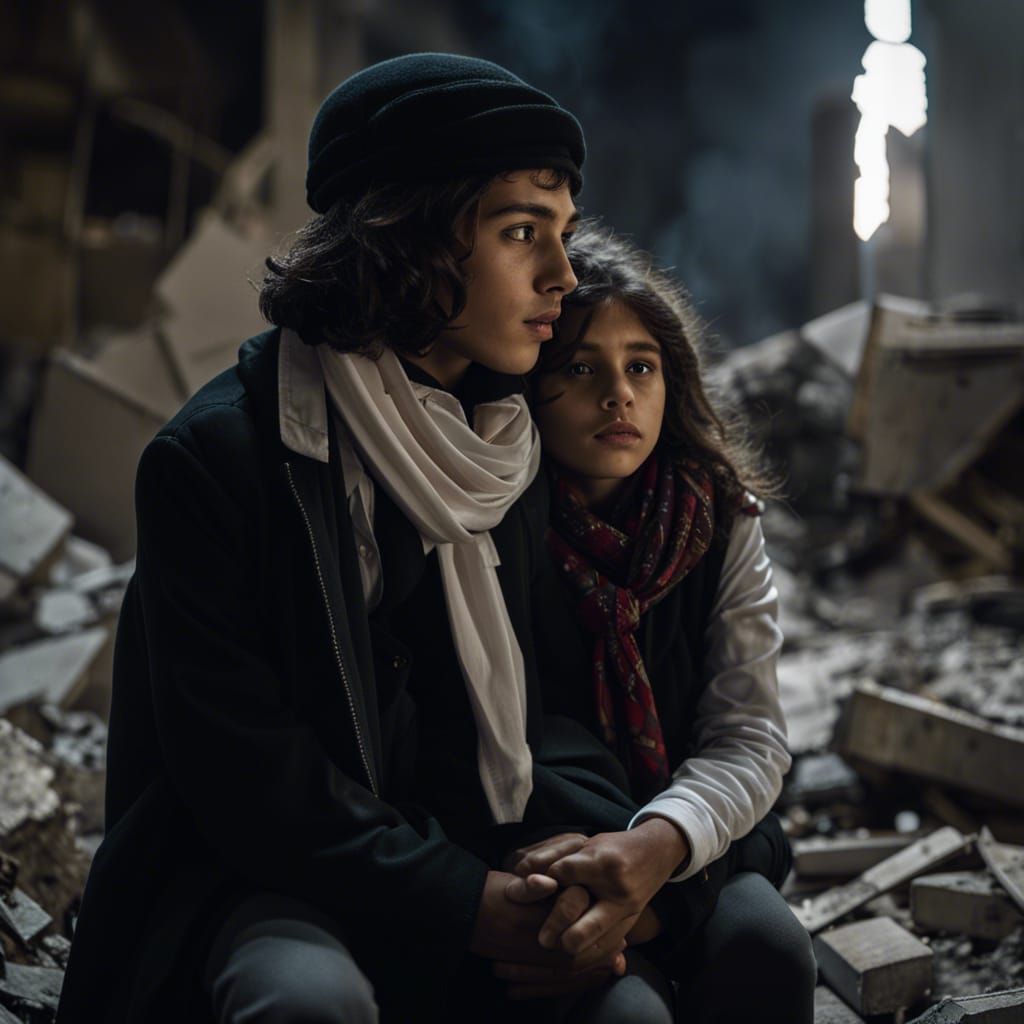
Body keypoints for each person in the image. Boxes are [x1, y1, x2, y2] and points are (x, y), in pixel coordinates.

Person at [54, 53, 646, 1024]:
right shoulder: (220, 460)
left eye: (563, 235)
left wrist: (589, 870)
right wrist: (461, 903)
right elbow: (248, 782)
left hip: (468, 846)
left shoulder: (503, 442)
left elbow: (547, 710)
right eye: (519, 232)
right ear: (410, 239)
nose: (561, 276)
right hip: (260, 877)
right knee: (311, 1005)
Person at [515, 224, 817, 1023]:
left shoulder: (716, 517)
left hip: (686, 838)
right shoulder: (492, 525)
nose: (619, 394)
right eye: (580, 367)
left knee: (771, 950)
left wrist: (659, 854)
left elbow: (749, 735)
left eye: (640, 367)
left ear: (669, 382)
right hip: (547, 853)